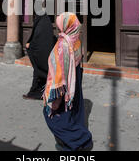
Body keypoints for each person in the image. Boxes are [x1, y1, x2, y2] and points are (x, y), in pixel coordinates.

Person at [43, 12, 93, 151]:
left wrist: (53, 101)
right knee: (74, 113)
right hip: (74, 85)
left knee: (57, 118)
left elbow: (58, 78)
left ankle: (75, 143)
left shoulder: (63, 46)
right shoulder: (75, 40)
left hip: (64, 89)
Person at [23, 12, 56, 100]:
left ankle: (34, 93)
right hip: (46, 55)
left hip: (40, 56)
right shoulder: (46, 23)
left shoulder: (41, 25)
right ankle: (41, 92)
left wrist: (30, 45)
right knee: (42, 74)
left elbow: (38, 41)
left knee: (38, 73)